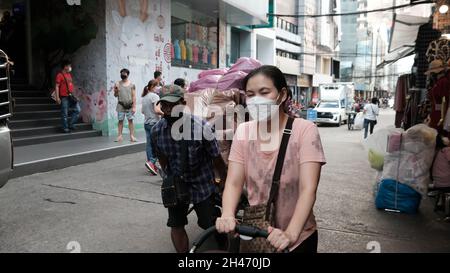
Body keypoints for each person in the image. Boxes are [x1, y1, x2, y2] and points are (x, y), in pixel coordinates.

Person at [215, 66, 327, 253]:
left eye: (264, 92)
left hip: (299, 238)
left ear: (281, 95)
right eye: (250, 94)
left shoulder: (305, 130)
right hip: (256, 234)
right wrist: (227, 214)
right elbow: (234, 183)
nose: (256, 99)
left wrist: (290, 234)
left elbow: (308, 189)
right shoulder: (244, 131)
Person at [151, 86, 227, 253]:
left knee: (208, 223)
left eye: (173, 104)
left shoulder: (202, 127)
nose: (169, 110)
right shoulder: (157, 131)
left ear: (183, 104)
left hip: (202, 184)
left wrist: (224, 182)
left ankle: (223, 246)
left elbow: (217, 159)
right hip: (176, 184)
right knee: (176, 223)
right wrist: (170, 179)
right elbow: (162, 159)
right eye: (164, 105)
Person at [142, 80, 164, 175]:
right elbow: (157, 110)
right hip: (154, 123)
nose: (158, 88)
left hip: (146, 123)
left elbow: (142, 111)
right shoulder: (155, 96)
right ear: (152, 86)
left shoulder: (145, 97)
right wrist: (165, 114)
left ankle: (150, 164)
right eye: (157, 86)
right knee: (158, 144)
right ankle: (152, 162)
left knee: (149, 144)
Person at [54, 60, 80, 134]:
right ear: (65, 66)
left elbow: (70, 86)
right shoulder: (59, 75)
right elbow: (57, 86)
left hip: (71, 96)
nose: (70, 67)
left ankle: (71, 124)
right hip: (64, 97)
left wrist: (75, 96)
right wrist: (57, 97)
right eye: (69, 66)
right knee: (64, 113)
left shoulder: (69, 75)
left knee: (77, 110)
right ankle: (65, 128)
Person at [114, 68, 137, 143]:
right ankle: (119, 136)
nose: (123, 74)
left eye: (124, 73)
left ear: (127, 74)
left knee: (130, 121)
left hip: (129, 106)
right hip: (121, 105)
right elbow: (115, 95)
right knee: (120, 121)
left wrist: (134, 107)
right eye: (121, 73)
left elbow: (134, 96)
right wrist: (116, 89)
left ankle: (132, 136)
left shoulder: (132, 85)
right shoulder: (117, 84)